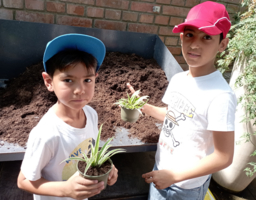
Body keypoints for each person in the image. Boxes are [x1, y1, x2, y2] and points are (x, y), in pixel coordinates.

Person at [127, 1, 237, 199]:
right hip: (161, 170)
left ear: (222, 44)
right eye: (189, 35)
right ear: (181, 38)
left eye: (206, 38)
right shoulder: (178, 79)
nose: (194, 44)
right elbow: (174, 116)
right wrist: (146, 107)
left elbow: (224, 157)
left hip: (184, 187)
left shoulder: (221, 96)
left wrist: (174, 176)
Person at [17, 34, 118, 200]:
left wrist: (106, 166)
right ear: (49, 81)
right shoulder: (46, 133)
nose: (80, 90)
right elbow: (23, 181)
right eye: (68, 80)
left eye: (87, 80)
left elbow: (89, 150)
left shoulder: (91, 115)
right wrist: (66, 190)